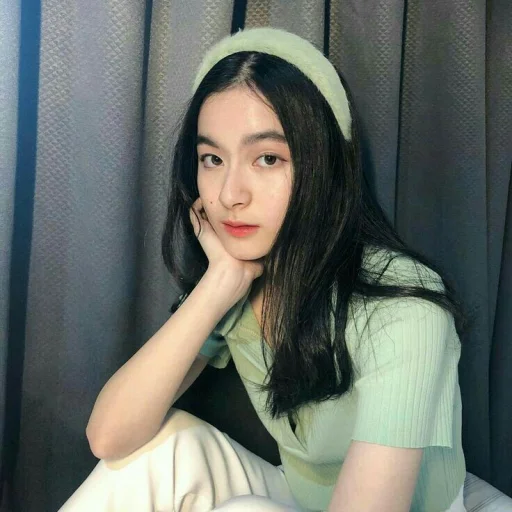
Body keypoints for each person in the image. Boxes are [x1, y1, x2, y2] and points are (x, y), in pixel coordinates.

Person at [59, 27, 468, 512]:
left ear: (324, 167)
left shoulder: (404, 303)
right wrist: (218, 284)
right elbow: (108, 437)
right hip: (301, 497)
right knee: (158, 454)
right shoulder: (243, 277)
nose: (230, 194)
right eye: (212, 159)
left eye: (268, 158)